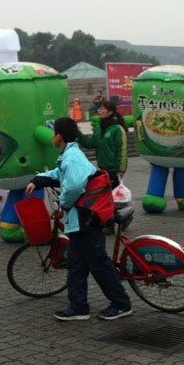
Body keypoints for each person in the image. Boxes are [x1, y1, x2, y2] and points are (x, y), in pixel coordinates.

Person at [26, 117, 132, 321]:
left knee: (99, 264)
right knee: (76, 266)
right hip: (80, 221)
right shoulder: (69, 155)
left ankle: (121, 304)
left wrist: (64, 203)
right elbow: (60, 174)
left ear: (58, 136)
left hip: (86, 219)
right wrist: (39, 180)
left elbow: (74, 186)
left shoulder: (72, 157)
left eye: (53, 133)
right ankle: (78, 307)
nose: (52, 136)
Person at [77, 100, 127, 189]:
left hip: (114, 171)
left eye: (103, 109)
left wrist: (121, 170)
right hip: (103, 170)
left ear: (110, 112)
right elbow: (89, 144)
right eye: (99, 109)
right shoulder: (99, 129)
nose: (100, 111)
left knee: (114, 195)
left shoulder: (117, 129)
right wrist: (77, 132)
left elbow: (122, 150)